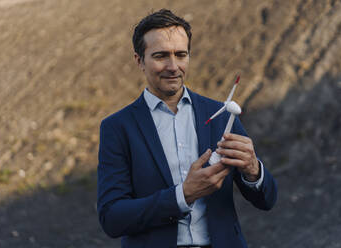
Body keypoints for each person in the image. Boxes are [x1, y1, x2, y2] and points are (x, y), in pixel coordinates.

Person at [97, 9, 277, 248]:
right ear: (139, 60)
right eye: (161, 56)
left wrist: (253, 171)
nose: (173, 66)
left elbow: (267, 200)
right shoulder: (117, 128)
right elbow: (112, 218)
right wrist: (182, 195)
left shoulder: (222, 116)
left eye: (181, 55)